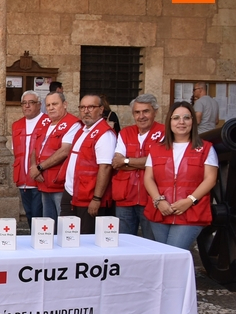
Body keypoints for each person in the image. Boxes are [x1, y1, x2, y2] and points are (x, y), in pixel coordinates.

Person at [144, 101, 218, 250]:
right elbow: (148, 178)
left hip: (191, 212)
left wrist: (189, 200)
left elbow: (210, 179)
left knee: (174, 253)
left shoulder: (206, 148)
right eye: (176, 118)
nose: (181, 122)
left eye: (187, 118)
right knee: (163, 256)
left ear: (193, 122)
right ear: (169, 121)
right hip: (161, 211)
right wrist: (159, 201)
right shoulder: (156, 148)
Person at [110, 93, 165, 239]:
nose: (141, 116)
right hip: (125, 197)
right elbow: (116, 163)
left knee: (151, 243)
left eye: (146, 111)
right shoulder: (125, 133)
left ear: (155, 112)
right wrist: (146, 163)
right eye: (137, 112)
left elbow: (161, 163)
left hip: (151, 198)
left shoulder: (165, 133)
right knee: (123, 242)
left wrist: (126, 161)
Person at [61, 94, 117, 234]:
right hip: (72, 193)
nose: (86, 111)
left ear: (101, 109)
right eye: (82, 107)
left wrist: (97, 199)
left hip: (89, 197)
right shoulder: (82, 131)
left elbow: (105, 167)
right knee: (66, 237)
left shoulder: (104, 134)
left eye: (91, 107)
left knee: (86, 239)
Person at [29, 91, 81, 224]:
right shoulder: (46, 124)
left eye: (55, 104)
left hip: (59, 184)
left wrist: (40, 167)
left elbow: (65, 151)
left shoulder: (73, 124)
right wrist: (34, 167)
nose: (51, 107)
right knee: (48, 225)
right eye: (48, 105)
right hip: (43, 182)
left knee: (63, 225)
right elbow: (35, 148)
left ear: (65, 104)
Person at [11, 91, 51, 229]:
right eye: (24, 103)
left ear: (39, 105)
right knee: (29, 213)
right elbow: (15, 150)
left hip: (40, 177)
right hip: (23, 179)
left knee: (38, 214)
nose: (27, 106)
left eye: (31, 102)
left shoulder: (48, 122)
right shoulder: (16, 125)